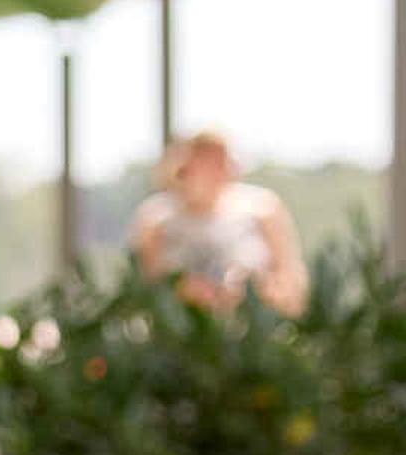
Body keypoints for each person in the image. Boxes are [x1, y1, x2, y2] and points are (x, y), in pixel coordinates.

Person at [131, 129, 309, 317]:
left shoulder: (263, 208)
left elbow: (292, 280)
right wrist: (186, 292)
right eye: (207, 162)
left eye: (221, 162)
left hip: (252, 328)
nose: (218, 171)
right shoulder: (155, 217)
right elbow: (143, 286)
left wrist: (255, 293)